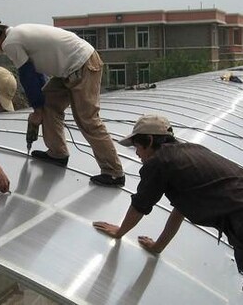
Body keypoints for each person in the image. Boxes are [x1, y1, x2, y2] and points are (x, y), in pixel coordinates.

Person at [0, 18, 125, 187]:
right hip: (71, 68)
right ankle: (57, 153)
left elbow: (28, 76)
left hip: (82, 64)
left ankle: (114, 172)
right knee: (49, 102)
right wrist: (39, 106)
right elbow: (38, 76)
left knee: (87, 119)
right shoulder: (18, 32)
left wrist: (37, 111)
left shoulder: (11, 43)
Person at [93, 114, 243, 274]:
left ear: (149, 140)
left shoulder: (160, 162)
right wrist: (158, 247)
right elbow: (181, 209)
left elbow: (140, 206)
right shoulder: (189, 153)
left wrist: (119, 232)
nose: (137, 153)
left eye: (137, 146)